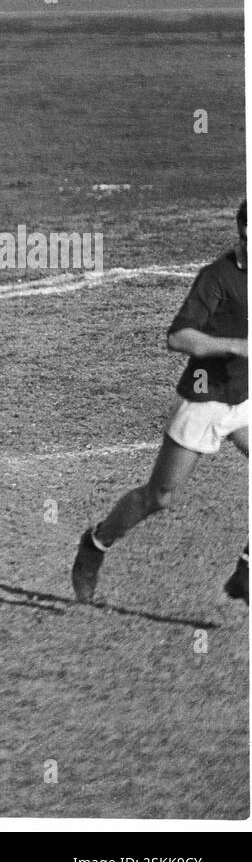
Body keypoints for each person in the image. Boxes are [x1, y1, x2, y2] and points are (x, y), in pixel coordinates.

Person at [73, 199, 248, 603]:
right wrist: (236, 346)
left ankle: (246, 571)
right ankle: (96, 544)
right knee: (160, 497)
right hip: (205, 398)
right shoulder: (216, 277)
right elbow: (178, 336)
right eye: (244, 238)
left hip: (244, 398)